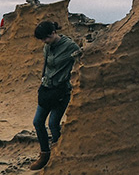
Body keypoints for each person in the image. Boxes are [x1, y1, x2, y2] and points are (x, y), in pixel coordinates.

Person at [30, 21, 82, 170]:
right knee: (37, 122)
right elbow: (46, 67)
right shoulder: (47, 47)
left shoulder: (70, 46)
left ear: (53, 33)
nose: (44, 42)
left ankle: (58, 154)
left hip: (61, 91)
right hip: (47, 90)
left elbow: (82, 59)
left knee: (53, 123)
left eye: (45, 38)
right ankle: (44, 154)